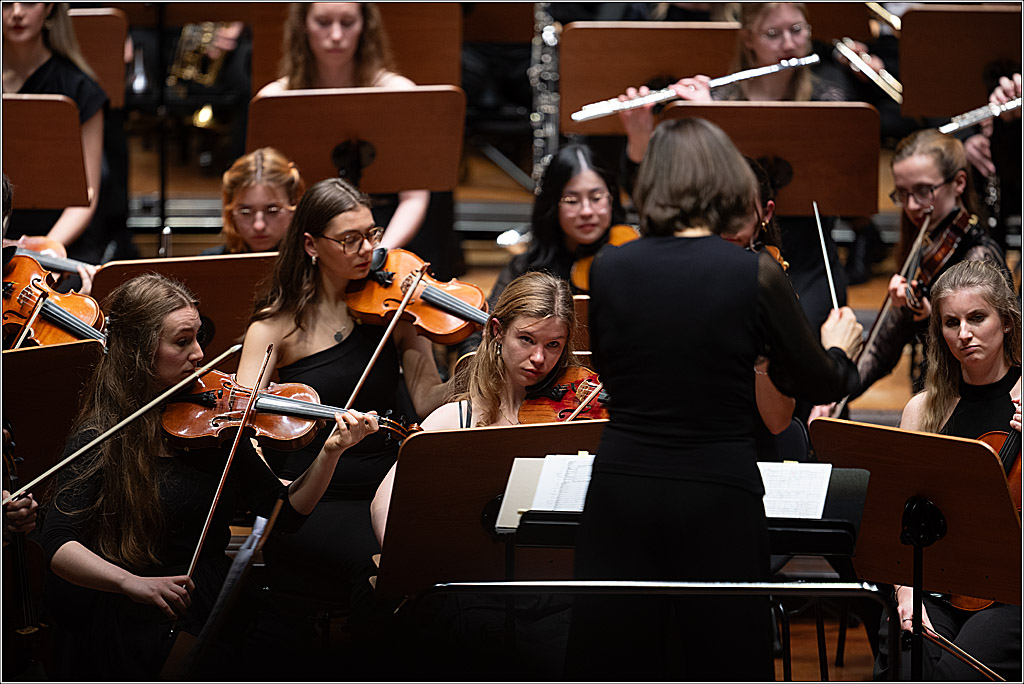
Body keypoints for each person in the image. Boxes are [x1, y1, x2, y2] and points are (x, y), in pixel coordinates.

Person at [564, 117, 864, 680]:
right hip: (717, 493)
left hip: (621, 489)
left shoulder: (608, 268)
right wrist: (839, 346)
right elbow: (822, 384)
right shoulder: (753, 272)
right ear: (722, 180)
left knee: (618, 661)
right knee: (722, 661)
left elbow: (611, 368)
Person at [37, 273, 377, 680]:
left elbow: (286, 514)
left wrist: (331, 452)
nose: (199, 354)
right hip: (134, 604)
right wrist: (131, 584)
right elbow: (58, 543)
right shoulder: (101, 435)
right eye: (182, 342)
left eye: (198, 338)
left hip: (209, 591)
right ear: (138, 352)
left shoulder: (215, 426)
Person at [236, 176, 445, 653]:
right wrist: (274, 489)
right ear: (311, 245)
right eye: (350, 239)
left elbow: (428, 399)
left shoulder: (393, 310)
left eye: (372, 234)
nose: (368, 249)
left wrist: (486, 368)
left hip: (388, 487)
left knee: (442, 558)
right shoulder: (275, 327)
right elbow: (242, 425)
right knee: (386, 571)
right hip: (315, 498)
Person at [370, 270, 580, 680]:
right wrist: (412, 563)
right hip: (474, 590)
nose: (540, 359)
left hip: (555, 590)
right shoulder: (456, 417)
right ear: (497, 332)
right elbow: (385, 500)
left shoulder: (575, 417)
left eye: (553, 345)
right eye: (527, 340)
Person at [617, 2, 853, 332]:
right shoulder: (718, 98)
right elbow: (668, 194)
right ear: (748, 39)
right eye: (773, 34)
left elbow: (843, 184)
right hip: (725, 251)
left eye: (797, 30)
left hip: (807, 255)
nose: (788, 43)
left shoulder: (829, 98)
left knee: (806, 335)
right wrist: (650, 136)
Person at [873, 259, 1021, 681]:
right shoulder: (923, 410)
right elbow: (901, 521)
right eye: (951, 322)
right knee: (909, 659)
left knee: (956, 672)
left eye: (977, 318)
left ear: (1006, 322)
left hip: (1012, 592)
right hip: (936, 587)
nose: (964, 333)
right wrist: (906, 594)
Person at [256, 2, 457, 274]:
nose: (336, 35)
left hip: (383, 233)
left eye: (348, 23)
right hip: (309, 237)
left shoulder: (399, 93)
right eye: (323, 23)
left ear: (365, 26)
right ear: (303, 25)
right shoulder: (274, 99)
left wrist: (377, 253)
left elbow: (414, 199)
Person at [846, 128, 1009, 405]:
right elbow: (883, 348)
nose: (911, 205)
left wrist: (932, 318)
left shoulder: (979, 256)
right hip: (933, 395)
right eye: (903, 193)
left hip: (971, 403)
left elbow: (985, 358)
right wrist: (835, 395)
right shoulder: (924, 246)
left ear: (958, 183)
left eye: (923, 191)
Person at [458, 143, 628, 356]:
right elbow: (475, 342)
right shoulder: (526, 268)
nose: (586, 211)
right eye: (571, 200)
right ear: (552, 204)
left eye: (596, 198)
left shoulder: (630, 259)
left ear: (612, 198)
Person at [2, 2, 133, 275]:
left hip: (62, 243)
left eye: (29, 2)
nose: (16, 12)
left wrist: (43, 251)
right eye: (6, 4)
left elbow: (86, 198)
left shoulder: (80, 89)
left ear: (50, 8)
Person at [201, 147, 306, 255]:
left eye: (272, 211)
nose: (258, 226)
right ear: (230, 212)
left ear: (294, 205)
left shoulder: (313, 261)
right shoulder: (207, 261)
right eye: (245, 212)